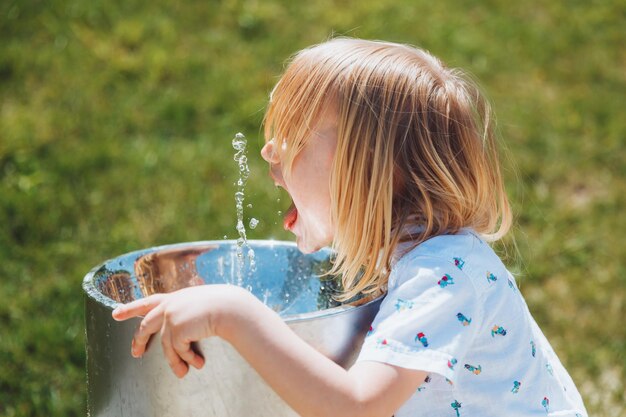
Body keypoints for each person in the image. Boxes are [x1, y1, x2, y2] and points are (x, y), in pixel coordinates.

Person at [112, 38, 588, 417]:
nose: (269, 151)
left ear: (368, 173)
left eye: (296, 137)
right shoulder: (415, 261)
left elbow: (356, 407)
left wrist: (232, 313)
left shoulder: (446, 275)